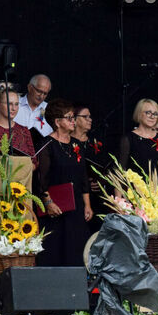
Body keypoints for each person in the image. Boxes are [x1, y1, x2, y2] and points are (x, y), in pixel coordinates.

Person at [35, 100, 93, 267]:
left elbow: (83, 177)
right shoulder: (47, 145)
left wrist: (87, 205)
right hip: (56, 208)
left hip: (76, 207)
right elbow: (41, 180)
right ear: (57, 122)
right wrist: (48, 203)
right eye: (69, 118)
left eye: (73, 117)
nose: (73, 121)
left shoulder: (76, 145)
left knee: (77, 250)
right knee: (56, 250)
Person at [0, 87, 35, 162]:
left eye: (16, 104)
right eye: (9, 104)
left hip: (24, 173)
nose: (14, 108)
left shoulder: (24, 131)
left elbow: (34, 162)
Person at [118, 98, 158, 173]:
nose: (152, 116)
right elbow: (120, 170)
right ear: (139, 113)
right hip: (135, 184)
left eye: (155, 114)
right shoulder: (129, 139)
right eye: (148, 112)